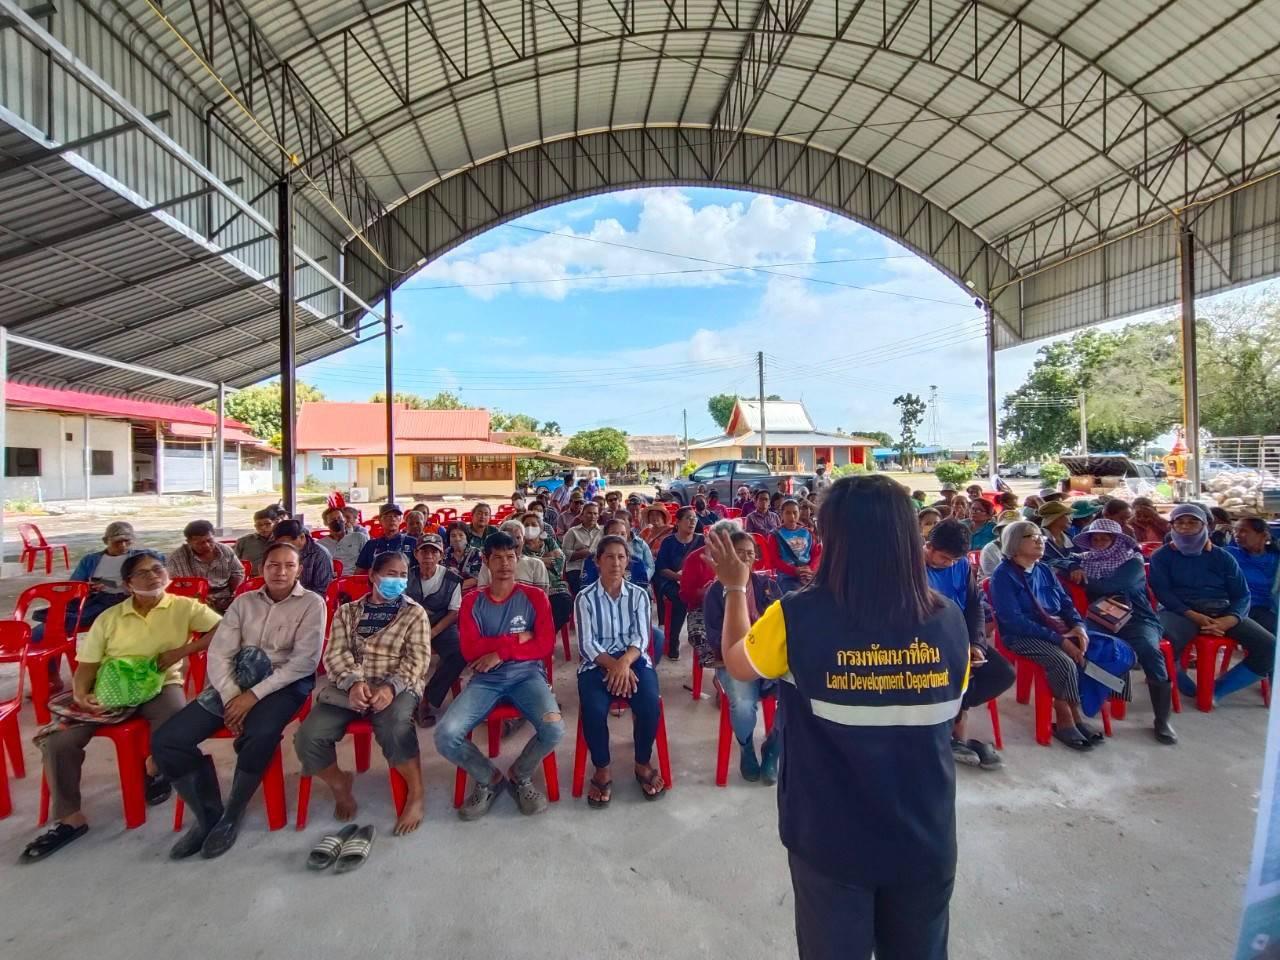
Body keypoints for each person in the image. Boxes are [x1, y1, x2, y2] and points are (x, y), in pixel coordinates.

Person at [704, 476, 970, 959]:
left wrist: (735, 588)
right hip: (925, 836)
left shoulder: (797, 616)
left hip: (830, 841)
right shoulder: (949, 619)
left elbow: (737, 661)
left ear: (833, 539)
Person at [20, 551, 221, 863]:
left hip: (160, 683)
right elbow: (87, 664)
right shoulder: (110, 618)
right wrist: (81, 692)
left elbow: (222, 628)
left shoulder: (183, 606)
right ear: (128, 584)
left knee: (176, 728)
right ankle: (70, 818)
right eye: (143, 573)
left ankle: (154, 769)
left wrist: (184, 650)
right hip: (111, 686)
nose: (154, 576)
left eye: (158, 569)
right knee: (59, 740)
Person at [151, 542, 324, 859]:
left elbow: (304, 663)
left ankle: (233, 812)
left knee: (260, 732)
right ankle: (207, 815)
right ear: (262, 568)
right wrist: (232, 695)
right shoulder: (243, 603)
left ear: (299, 570)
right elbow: (220, 652)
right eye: (273, 564)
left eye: (288, 565)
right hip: (235, 682)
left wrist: (253, 696)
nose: (280, 571)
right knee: (168, 740)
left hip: (284, 683)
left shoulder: (312, 604)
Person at [293, 552, 430, 836]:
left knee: (395, 727)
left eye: (403, 575)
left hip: (398, 684)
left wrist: (391, 688)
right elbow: (335, 654)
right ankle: (339, 783)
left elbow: (418, 659)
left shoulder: (413, 612)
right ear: (373, 576)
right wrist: (355, 683)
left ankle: (416, 793)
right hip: (350, 687)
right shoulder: (348, 612)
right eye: (391, 574)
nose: (398, 580)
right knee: (308, 737)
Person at [434, 533, 563, 820]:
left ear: (518, 558)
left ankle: (520, 774)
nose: (505, 563)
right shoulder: (472, 602)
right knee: (445, 735)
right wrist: (519, 638)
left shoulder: (534, 597)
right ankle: (488, 778)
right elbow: (470, 649)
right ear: (486, 561)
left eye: (510, 556)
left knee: (554, 729)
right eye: (497, 557)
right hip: (485, 679)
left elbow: (544, 645)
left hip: (527, 675)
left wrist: (500, 652)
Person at [989, 521, 1114, 751]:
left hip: (1058, 629)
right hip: (1022, 635)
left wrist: (1078, 627)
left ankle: (1090, 704)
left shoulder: (1044, 569)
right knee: (1062, 660)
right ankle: (1067, 714)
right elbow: (1013, 621)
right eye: (1032, 536)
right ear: (1015, 543)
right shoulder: (1003, 576)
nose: (1040, 540)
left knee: (1101, 651)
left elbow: (1066, 603)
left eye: (1041, 537)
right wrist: (1061, 640)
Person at [1150, 504, 1277, 704]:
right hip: (1180, 612)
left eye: (1193, 522)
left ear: (1205, 526)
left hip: (1221, 611)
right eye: (1180, 522)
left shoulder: (1222, 557)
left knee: (1269, 647)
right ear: (1171, 526)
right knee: (1159, 641)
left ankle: (1215, 691)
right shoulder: (1162, 556)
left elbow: (1242, 595)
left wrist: (1230, 619)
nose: (1185, 527)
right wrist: (1194, 615)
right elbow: (1163, 593)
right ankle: (1183, 683)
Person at [574, 536, 665, 806]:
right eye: (609, 557)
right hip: (597, 662)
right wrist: (613, 666)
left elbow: (642, 638)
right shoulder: (585, 598)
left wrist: (624, 663)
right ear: (597, 561)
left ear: (628, 561)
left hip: (633, 659)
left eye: (621, 557)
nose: (616, 562)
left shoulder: (638, 595)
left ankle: (642, 762)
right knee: (593, 707)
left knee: (649, 703)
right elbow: (586, 643)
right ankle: (602, 767)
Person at [1073, 519, 1177, 744]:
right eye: (1095, 538)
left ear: (1117, 541)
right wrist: (1072, 567)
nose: (1099, 542)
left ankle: (1162, 719)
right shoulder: (1085, 560)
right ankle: (1099, 698)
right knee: (1083, 646)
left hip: (1137, 619)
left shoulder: (1133, 562)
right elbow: (1059, 560)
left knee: (1149, 651)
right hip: (1100, 618)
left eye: (1105, 538)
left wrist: (1084, 579)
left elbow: (1109, 586)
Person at [924, 519, 1014, 770]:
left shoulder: (961, 565)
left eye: (954, 559)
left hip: (959, 636)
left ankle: (953, 726)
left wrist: (977, 644)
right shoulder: (909, 569)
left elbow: (974, 605)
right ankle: (953, 733)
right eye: (944, 558)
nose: (949, 564)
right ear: (928, 546)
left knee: (1002, 674)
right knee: (954, 674)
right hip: (927, 641)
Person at [703, 531, 782, 783]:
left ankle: (773, 747)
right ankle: (746, 745)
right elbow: (714, 636)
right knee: (743, 703)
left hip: (769, 655)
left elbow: (782, 624)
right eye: (740, 553)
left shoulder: (766, 585)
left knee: (799, 695)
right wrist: (746, 641)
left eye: (750, 553)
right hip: (732, 660)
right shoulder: (715, 592)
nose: (746, 558)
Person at [43, 521, 137, 653]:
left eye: (127, 541)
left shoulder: (139, 558)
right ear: (106, 541)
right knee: (49, 627)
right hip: (98, 600)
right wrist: (87, 587)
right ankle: (48, 668)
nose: (123, 545)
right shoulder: (90, 560)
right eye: (117, 542)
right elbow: (73, 586)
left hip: (128, 601)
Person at [407, 533, 464, 729]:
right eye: (424, 551)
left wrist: (432, 633)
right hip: (409, 626)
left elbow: (454, 612)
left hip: (441, 625)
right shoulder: (405, 575)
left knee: (458, 653)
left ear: (441, 555)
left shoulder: (452, 579)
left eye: (434, 552)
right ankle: (403, 697)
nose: (428, 556)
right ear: (416, 554)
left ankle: (427, 699)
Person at [654, 506, 704, 661]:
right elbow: (662, 569)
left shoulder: (701, 540)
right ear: (678, 522)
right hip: (671, 581)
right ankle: (673, 642)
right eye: (688, 518)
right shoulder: (668, 542)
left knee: (709, 596)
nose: (692, 521)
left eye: (694, 518)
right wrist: (681, 578)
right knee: (680, 598)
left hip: (695, 582)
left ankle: (700, 636)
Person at [167, 520, 245, 613]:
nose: (207, 545)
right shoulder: (177, 558)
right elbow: (174, 586)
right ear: (189, 542)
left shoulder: (225, 550)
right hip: (194, 602)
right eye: (200, 543)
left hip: (226, 597)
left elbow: (238, 572)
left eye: (209, 540)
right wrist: (200, 596)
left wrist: (234, 592)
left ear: (214, 535)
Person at [1228, 518, 1280, 635]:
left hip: (1265, 609)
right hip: (1237, 608)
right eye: (1235, 531)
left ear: (1264, 535)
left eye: (1243, 531)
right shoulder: (1230, 554)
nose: (1237, 535)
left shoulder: (1275, 560)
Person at [477, 520, 551, 591]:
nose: (514, 542)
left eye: (518, 538)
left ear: (524, 540)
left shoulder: (536, 564)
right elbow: (482, 594)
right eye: (509, 538)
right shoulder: (488, 565)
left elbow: (541, 597)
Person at [271, 519, 334, 596]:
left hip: (309, 599)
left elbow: (322, 589)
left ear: (302, 537)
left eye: (287, 542)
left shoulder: (319, 554)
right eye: (280, 543)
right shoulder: (280, 550)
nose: (284, 546)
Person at [583, 518, 651, 587]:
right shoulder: (592, 560)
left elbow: (642, 590)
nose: (619, 537)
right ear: (605, 536)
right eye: (614, 533)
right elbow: (587, 588)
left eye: (623, 534)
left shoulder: (637, 562)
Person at [773, 499, 821, 594]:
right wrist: (794, 571)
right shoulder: (775, 535)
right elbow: (774, 561)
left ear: (799, 513)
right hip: (786, 576)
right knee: (797, 594)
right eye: (788, 513)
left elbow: (816, 554)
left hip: (808, 574)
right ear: (781, 514)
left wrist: (810, 569)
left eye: (795, 512)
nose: (792, 516)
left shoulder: (807, 532)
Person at [354, 503, 415, 574]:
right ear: (380, 520)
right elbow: (359, 572)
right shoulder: (371, 545)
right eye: (388, 516)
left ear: (400, 520)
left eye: (396, 516)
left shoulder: (412, 542)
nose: (393, 519)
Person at [561, 501, 603, 595]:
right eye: (589, 513)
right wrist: (582, 554)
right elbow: (564, 554)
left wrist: (589, 552)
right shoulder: (572, 532)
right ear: (582, 515)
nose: (592, 516)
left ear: (598, 516)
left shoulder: (603, 531)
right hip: (577, 568)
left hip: (598, 568)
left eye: (595, 513)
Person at [318, 505, 369, 575]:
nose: (337, 521)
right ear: (326, 523)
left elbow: (369, 561)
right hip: (331, 580)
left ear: (344, 519)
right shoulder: (320, 544)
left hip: (355, 579)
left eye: (339, 518)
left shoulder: (359, 538)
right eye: (332, 519)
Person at [978, 510, 1024, 578]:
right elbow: (995, 579)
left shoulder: (1027, 546)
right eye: (1006, 528)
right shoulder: (990, 549)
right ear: (1000, 531)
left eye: (1015, 528)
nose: (1011, 532)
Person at [1037, 500, 1079, 571]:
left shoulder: (1070, 538)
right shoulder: (1037, 539)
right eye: (1067, 515)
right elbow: (1041, 560)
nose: (1071, 518)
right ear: (1056, 518)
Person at [235, 509, 277, 576]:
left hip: (276, 578)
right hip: (250, 580)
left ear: (275, 523)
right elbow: (233, 564)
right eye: (259, 525)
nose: (263, 528)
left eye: (267, 524)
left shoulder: (280, 541)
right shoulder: (244, 541)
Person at [443, 522, 483, 589]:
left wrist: (455, 589)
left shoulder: (476, 553)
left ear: (467, 537)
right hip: (447, 593)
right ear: (449, 539)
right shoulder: (444, 554)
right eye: (453, 536)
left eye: (461, 535)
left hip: (470, 593)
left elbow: (476, 579)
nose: (457, 539)